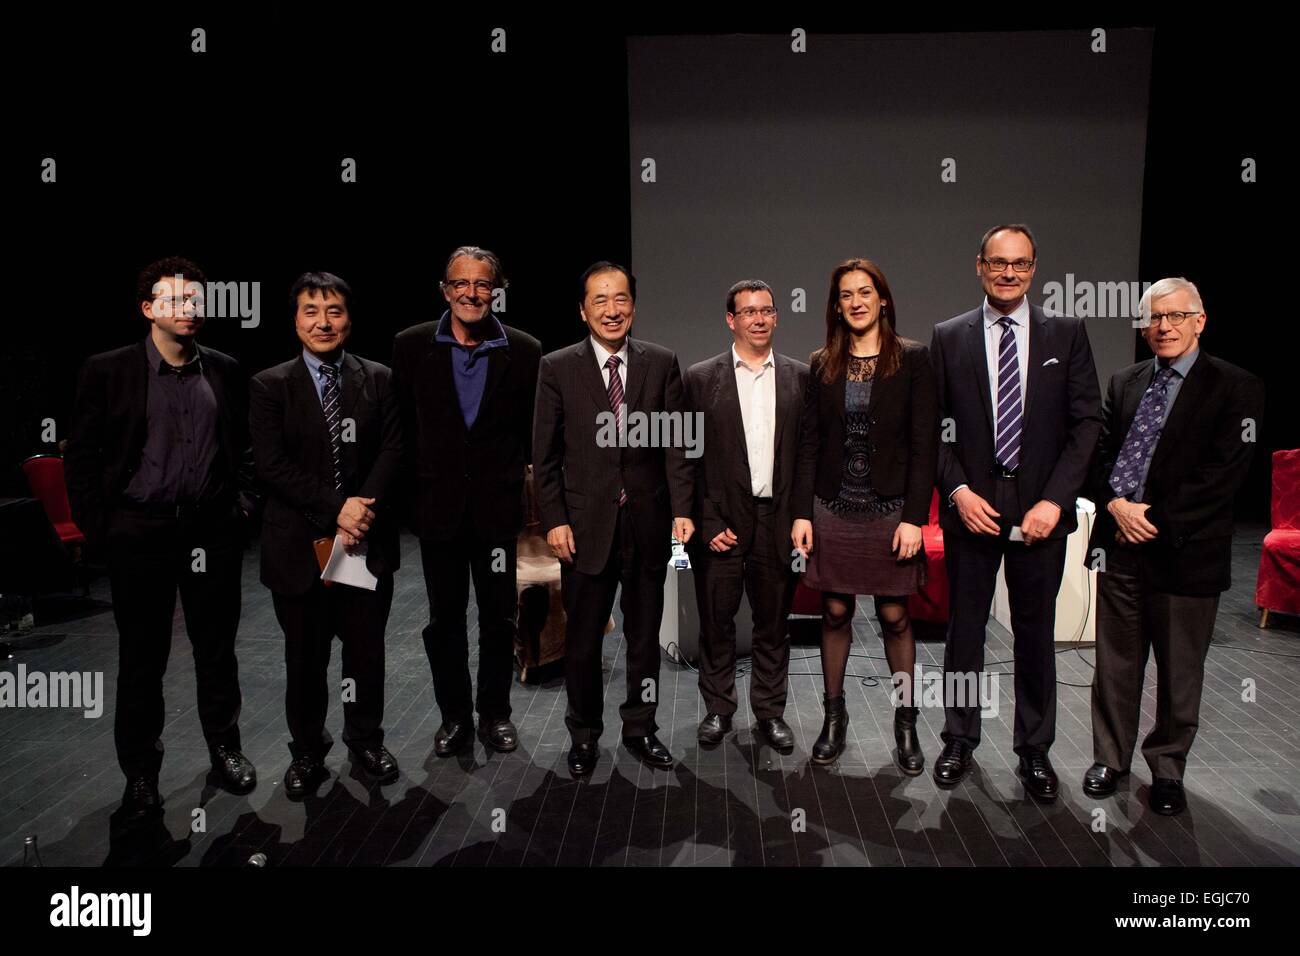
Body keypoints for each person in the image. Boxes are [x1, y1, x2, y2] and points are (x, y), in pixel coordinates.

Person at [65, 256, 259, 820]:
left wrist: (242, 508)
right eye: (175, 300)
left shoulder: (224, 368)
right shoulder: (108, 370)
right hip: (140, 532)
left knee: (216, 651)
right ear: (148, 308)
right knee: (142, 659)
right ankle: (141, 775)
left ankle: (226, 750)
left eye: (196, 300)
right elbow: (81, 456)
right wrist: (102, 530)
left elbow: (242, 450)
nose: (188, 309)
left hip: (210, 531)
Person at [929, 224, 1101, 801]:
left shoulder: (1068, 333)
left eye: (1020, 264)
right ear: (979, 265)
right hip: (972, 507)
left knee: (1035, 634)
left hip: (1040, 510)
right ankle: (959, 737)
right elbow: (932, 431)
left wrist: (1056, 500)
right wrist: (956, 492)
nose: (1008, 273)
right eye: (998, 263)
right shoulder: (948, 336)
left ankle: (1034, 751)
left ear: (1033, 268)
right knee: (965, 632)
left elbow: (1087, 425)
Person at [1084, 277, 1264, 815]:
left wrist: (1155, 520)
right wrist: (1116, 505)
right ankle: (1110, 760)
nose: (1163, 327)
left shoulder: (1237, 386)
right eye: (1153, 319)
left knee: (1180, 669)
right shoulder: (1125, 381)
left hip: (1186, 551)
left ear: (1199, 321)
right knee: (1115, 663)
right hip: (1120, 543)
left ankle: (1166, 768)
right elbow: (1100, 455)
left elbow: (1225, 474)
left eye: (1175, 316)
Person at [532, 262, 695, 776]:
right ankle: (583, 735)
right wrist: (553, 518)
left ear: (633, 306)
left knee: (645, 637)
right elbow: (546, 452)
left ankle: (640, 729)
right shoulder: (557, 367)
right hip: (584, 527)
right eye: (600, 300)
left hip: (647, 523)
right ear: (583, 310)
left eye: (620, 299)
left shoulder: (662, 362)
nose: (612, 309)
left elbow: (677, 445)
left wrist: (684, 508)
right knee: (581, 641)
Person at [249, 272, 403, 798]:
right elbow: (269, 466)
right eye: (312, 311)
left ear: (349, 319)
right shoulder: (270, 386)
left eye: (334, 311)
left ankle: (365, 741)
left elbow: (393, 451)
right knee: (305, 660)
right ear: (295, 320)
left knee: (365, 654)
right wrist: (338, 507)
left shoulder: (379, 378)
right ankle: (308, 753)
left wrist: (358, 513)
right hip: (299, 547)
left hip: (362, 543)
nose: (323, 321)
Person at [391, 246, 540, 756]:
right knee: (444, 620)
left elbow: (531, 435)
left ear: (496, 290)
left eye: (482, 285)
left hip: (497, 515)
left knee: (500, 620)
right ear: (444, 290)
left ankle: (495, 713)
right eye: (461, 284)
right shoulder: (410, 346)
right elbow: (401, 431)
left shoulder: (524, 350)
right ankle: (454, 717)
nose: (471, 293)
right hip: (438, 514)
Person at [792, 259, 938, 771]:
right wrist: (802, 512)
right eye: (845, 295)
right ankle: (836, 718)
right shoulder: (821, 362)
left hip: (891, 510)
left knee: (895, 616)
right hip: (832, 508)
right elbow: (809, 443)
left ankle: (905, 725)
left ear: (882, 300)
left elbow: (925, 446)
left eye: (865, 292)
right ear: (836, 306)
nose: (855, 301)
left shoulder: (914, 359)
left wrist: (914, 519)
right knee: (834, 612)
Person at [685, 280, 809, 753]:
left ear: (776, 317)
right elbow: (686, 455)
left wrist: (802, 515)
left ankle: (770, 713)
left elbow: (808, 455)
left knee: (773, 622)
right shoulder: (700, 378)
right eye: (748, 312)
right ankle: (718, 710)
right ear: (730, 320)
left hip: (777, 522)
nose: (758, 319)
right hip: (720, 524)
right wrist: (706, 521)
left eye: (766, 311)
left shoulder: (800, 377)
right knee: (716, 623)